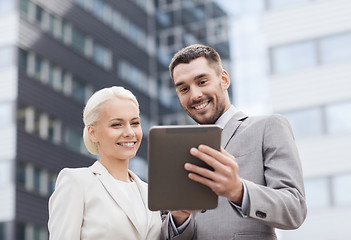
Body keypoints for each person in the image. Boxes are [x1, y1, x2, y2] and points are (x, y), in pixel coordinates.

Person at [161, 44, 307, 240]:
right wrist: (179, 218)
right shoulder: (172, 152)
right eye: (184, 89)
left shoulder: (268, 127)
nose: (195, 95)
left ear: (224, 79)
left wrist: (238, 190)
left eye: (202, 81)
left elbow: (294, 209)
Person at [48, 86, 161, 240]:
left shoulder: (150, 193)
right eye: (117, 124)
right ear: (92, 133)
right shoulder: (77, 182)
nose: (130, 132)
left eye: (135, 123)